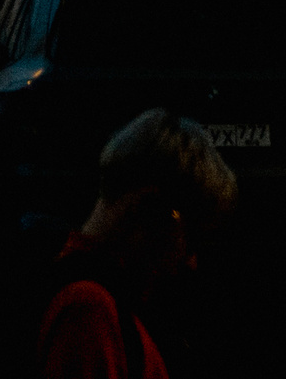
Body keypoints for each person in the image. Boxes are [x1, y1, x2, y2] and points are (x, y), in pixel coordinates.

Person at [37, 110, 238, 379]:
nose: (192, 262)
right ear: (150, 208)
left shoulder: (104, 307)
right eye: (191, 239)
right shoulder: (91, 312)